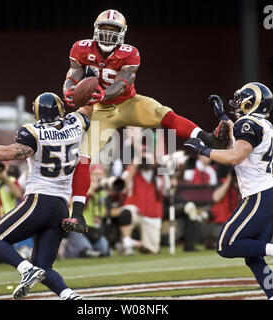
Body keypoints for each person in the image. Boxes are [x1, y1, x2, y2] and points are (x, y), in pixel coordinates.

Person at [61, 9, 231, 234]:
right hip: (101, 111)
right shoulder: (81, 48)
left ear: (122, 34)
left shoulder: (130, 53)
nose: (108, 35)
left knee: (164, 114)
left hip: (128, 103)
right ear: (95, 29)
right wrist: (69, 90)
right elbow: (73, 74)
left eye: (114, 31)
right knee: (82, 156)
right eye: (104, 29)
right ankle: (78, 215)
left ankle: (208, 139)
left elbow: (124, 81)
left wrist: (103, 94)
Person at [0, 92, 93, 300]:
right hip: (60, 207)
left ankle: (25, 270)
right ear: (60, 110)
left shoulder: (32, 132)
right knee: (44, 267)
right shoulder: (76, 126)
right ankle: (69, 296)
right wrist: (86, 83)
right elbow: (87, 108)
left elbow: (8, 152)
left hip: (40, 200)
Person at [184, 82, 273, 300]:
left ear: (252, 103)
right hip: (270, 196)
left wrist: (204, 150)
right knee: (253, 255)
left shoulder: (248, 124)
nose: (237, 103)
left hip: (259, 196)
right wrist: (222, 116)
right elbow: (239, 137)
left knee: (225, 244)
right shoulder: (261, 124)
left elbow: (236, 156)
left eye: (241, 98)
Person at [117, 150, 169, 255]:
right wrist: (134, 167)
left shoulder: (161, 172)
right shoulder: (131, 171)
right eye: (143, 159)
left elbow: (167, 191)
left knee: (152, 250)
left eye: (147, 159)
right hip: (136, 211)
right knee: (126, 212)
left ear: (154, 160)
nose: (145, 162)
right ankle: (127, 244)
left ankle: (135, 244)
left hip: (152, 214)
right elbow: (121, 187)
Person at [62, 164, 110, 258]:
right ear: (90, 176)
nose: (98, 177)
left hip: (95, 229)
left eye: (100, 174)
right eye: (95, 174)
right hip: (80, 227)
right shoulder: (83, 189)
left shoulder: (104, 192)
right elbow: (77, 206)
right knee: (86, 252)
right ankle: (64, 248)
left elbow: (105, 213)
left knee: (105, 251)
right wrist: (91, 191)